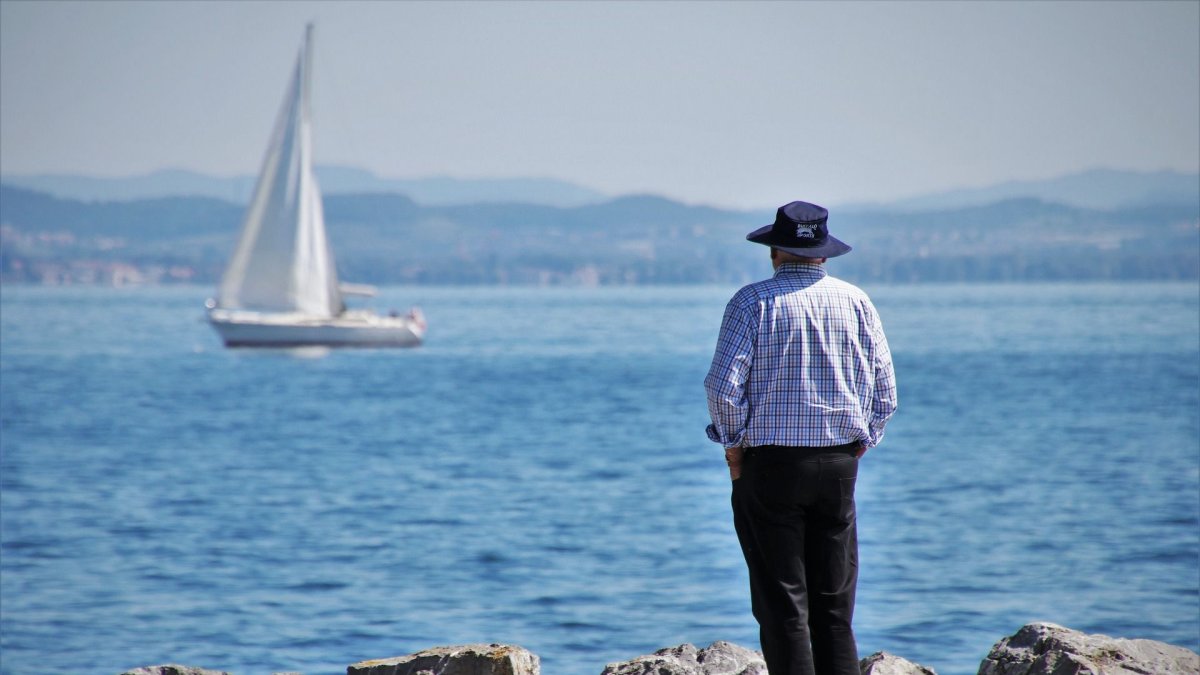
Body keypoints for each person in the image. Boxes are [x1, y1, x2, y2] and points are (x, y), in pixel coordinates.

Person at [704, 200, 898, 675]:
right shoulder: (856, 301)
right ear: (823, 254)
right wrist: (861, 443)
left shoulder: (751, 302)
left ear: (775, 251)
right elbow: (886, 391)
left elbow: (723, 389)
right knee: (835, 611)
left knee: (783, 608)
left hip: (770, 467)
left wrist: (733, 447)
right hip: (838, 466)